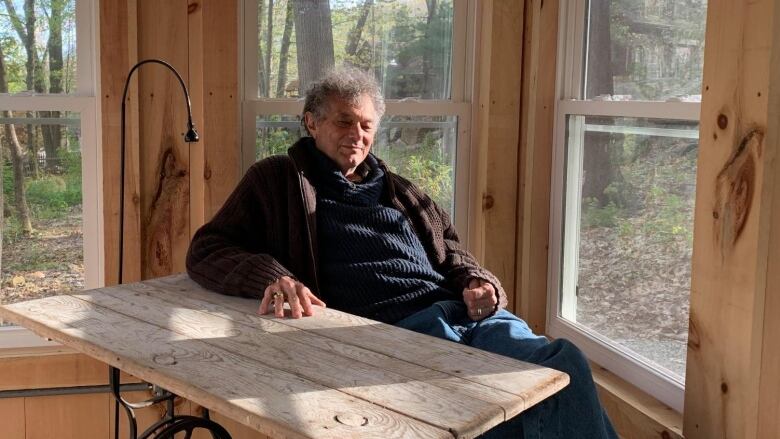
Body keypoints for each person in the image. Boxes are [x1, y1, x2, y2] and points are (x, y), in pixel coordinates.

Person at [186, 67, 617, 439]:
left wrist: (477, 283)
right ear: (311, 123)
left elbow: (452, 253)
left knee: (563, 365)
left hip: (465, 316)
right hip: (399, 332)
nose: (358, 135)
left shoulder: (402, 191)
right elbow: (207, 247)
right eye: (344, 121)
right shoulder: (276, 180)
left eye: (367, 125)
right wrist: (273, 276)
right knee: (490, 408)